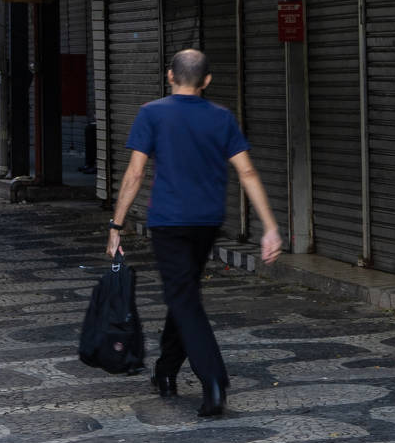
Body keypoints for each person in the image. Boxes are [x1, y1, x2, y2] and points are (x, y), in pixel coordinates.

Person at [106, 49, 283, 416]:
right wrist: (270, 227)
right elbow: (247, 172)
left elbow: (135, 174)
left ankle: (214, 379)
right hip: (206, 221)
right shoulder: (221, 117)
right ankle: (165, 371)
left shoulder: (151, 113)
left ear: (170, 76)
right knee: (183, 294)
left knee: (184, 297)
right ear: (206, 81)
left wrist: (116, 225)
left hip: (169, 222)